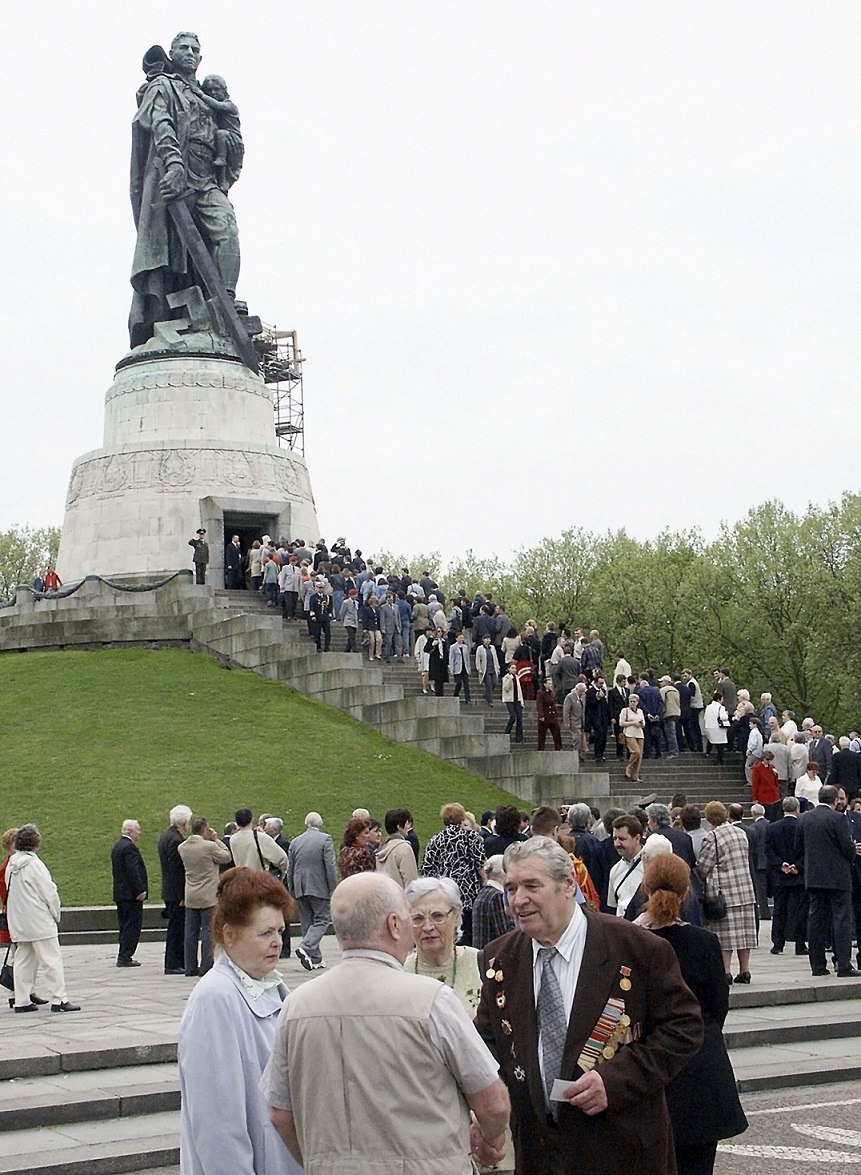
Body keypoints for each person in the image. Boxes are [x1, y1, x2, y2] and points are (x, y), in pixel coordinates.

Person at [475, 837, 703, 1175]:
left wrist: (616, 1080)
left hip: (622, 1150)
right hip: (539, 1155)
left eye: (531, 886)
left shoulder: (637, 948)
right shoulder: (499, 958)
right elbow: (488, 1046)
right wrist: (481, 1116)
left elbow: (684, 1028)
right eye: (511, 888)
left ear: (568, 884)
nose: (518, 900)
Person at [267, 873, 509, 1171]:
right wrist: (490, 1140)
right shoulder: (431, 1000)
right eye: (412, 917)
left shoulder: (295, 1005)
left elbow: (280, 1112)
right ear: (394, 925)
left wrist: (320, 1163)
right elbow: (492, 1103)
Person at [178, 868, 300, 1175]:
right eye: (265, 933)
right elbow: (218, 1123)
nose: (277, 943)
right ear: (230, 934)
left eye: (280, 932)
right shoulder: (215, 998)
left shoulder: (271, 985)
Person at [634, 853, 748, 1174]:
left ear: (645, 887)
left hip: (647, 1065)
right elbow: (717, 1005)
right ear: (687, 893)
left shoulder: (630, 940)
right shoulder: (704, 942)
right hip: (700, 1064)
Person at [130, 32, 243, 349]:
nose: (190, 53)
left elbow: (230, 133)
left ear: (201, 58)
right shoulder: (163, 86)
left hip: (208, 178)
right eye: (184, 48)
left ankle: (226, 300)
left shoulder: (209, 95)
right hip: (177, 175)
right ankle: (173, 314)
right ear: (172, 53)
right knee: (174, 254)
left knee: (227, 230)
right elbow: (160, 123)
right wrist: (174, 164)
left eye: (196, 49)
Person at [6, 825, 80, 1013]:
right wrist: (56, 913)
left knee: (23, 960)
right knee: (51, 960)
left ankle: (21, 1000)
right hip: (39, 920)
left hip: (19, 921)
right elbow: (49, 892)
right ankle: (59, 998)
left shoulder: (11, 865)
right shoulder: (35, 864)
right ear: (35, 843)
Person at [795, 784, 860, 977]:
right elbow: (847, 850)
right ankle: (843, 965)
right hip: (838, 877)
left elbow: (798, 849)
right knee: (841, 920)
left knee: (816, 920)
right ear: (834, 800)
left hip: (814, 877)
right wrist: (852, 849)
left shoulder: (804, 818)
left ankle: (817, 965)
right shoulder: (838, 818)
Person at [696, 801, 757, 983]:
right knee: (745, 934)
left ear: (708, 818)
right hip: (745, 888)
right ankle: (745, 970)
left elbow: (704, 867)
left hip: (725, 892)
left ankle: (726, 971)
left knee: (726, 935)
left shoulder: (713, 837)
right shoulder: (741, 833)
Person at [404, 877, 483, 1014]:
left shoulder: (480, 963)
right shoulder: (399, 972)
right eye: (418, 919)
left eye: (437, 916)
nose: (428, 927)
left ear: (456, 918)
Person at [421, 803, 486, 947]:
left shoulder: (435, 840)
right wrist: (486, 883)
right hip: (468, 893)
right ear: (461, 818)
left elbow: (427, 869)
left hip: (444, 894)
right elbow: (480, 864)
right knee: (469, 932)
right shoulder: (471, 837)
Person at [177, 816, 232, 976]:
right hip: (208, 894)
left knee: (191, 932)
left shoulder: (182, 847)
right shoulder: (209, 846)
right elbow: (226, 856)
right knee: (208, 932)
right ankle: (206, 966)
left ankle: (190, 966)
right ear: (205, 829)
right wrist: (216, 839)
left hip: (191, 893)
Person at [0, 828, 47, 1009]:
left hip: (18, 915)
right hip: (17, 916)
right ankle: (18, 993)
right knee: (19, 957)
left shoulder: (15, 864)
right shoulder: (10, 866)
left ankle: (26, 992)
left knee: (23, 957)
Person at [287, 812, 338, 971]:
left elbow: (291, 868)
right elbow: (329, 866)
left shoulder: (295, 842)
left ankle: (314, 958)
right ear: (320, 823)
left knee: (307, 920)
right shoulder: (325, 839)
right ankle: (306, 946)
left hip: (300, 885)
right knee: (323, 918)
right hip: (318, 884)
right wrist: (333, 888)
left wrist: (292, 889)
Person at [764, 796, 808, 956]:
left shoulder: (772, 827)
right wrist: (798, 865)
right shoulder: (802, 826)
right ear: (797, 809)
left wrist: (780, 864)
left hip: (780, 875)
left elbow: (768, 850)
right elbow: (807, 850)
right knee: (799, 910)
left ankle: (777, 943)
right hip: (798, 875)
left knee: (779, 910)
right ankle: (800, 943)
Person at [158, 804, 192, 975]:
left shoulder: (166, 836)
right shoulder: (176, 840)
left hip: (169, 890)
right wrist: (182, 894)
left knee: (175, 928)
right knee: (176, 929)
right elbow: (176, 870)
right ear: (184, 822)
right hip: (175, 892)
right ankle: (173, 963)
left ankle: (176, 961)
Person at [196, 74, 243, 191]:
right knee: (221, 166)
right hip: (221, 140)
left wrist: (201, 95)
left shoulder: (230, 106)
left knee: (220, 135)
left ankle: (221, 159)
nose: (213, 93)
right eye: (209, 90)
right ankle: (222, 182)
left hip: (231, 137)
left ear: (224, 91)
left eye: (216, 89)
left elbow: (217, 105)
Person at [111, 819, 148, 968]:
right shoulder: (129, 848)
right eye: (137, 830)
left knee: (124, 924)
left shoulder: (118, 846)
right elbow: (133, 871)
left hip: (121, 893)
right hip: (130, 895)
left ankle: (123, 954)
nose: (139, 833)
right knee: (132, 926)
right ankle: (125, 955)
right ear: (131, 831)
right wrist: (140, 890)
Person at [471, 855, 514, 951]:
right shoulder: (497, 897)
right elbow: (506, 934)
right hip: (494, 955)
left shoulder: (482, 894)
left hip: (483, 953)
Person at [228, 808, 288, 876]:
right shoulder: (261, 837)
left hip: (242, 879)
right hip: (259, 879)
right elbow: (282, 858)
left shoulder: (233, 839)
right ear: (252, 820)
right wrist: (282, 876)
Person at [375, 809, 418, 887]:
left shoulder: (381, 848)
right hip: (399, 896)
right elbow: (411, 881)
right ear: (399, 827)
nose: (408, 827)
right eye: (406, 824)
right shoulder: (404, 848)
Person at [618, 693, 645, 782]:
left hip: (639, 734)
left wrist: (640, 723)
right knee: (636, 751)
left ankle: (635, 776)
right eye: (631, 701)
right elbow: (621, 723)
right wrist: (633, 723)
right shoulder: (625, 710)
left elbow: (643, 724)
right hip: (629, 733)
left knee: (640, 755)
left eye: (634, 701)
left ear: (637, 702)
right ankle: (628, 766)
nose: (632, 703)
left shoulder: (640, 711)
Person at [704, 691, 731, 763]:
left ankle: (707, 753)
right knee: (720, 745)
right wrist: (726, 714)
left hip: (709, 726)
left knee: (710, 741)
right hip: (718, 728)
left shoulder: (708, 707)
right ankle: (719, 760)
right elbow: (723, 717)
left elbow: (705, 717)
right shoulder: (721, 707)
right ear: (719, 699)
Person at [536, 677, 562, 751]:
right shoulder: (541, 693)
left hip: (552, 716)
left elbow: (553, 704)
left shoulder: (551, 693)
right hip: (545, 715)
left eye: (551, 684)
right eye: (549, 684)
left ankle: (558, 747)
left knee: (556, 732)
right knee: (542, 734)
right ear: (544, 684)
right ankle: (540, 749)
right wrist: (541, 715)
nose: (550, 685)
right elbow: (539, 705)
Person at [502, 661, 524, 743]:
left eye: (515, 668)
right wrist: (510, 679)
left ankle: (519, 737)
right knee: (512, 716)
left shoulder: (517, 677)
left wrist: (521, 701)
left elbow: (519, 690)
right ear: (508, 669)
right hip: (509, 700)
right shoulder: (506, 678)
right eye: (512, 668)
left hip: (517, 699)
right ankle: (507, 731)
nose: (514, 670)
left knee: (519, 718)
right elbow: (506, 688)